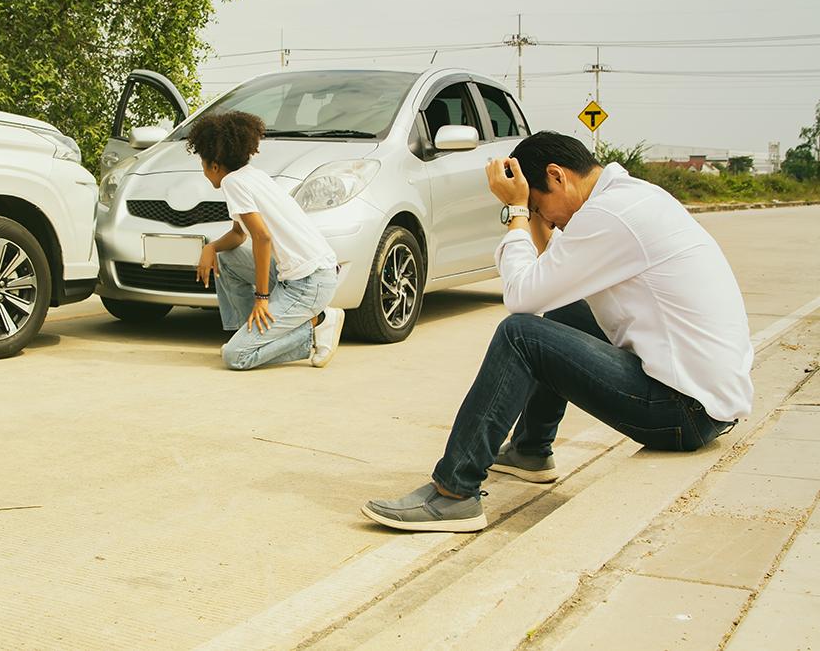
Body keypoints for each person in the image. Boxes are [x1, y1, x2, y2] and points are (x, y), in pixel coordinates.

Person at [361, 131, 753, 532]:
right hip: (704, 402)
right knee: (563, 309)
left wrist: (514, 212)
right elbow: (550, 281)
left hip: (683, 412)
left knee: (520, 335)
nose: (543, 219)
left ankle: (454, 494)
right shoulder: (629, 199)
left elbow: (520, 298)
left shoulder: (608, 216)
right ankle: (530, 451)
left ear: (557, 175)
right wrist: (529, 210)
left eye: (539, 205)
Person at [188, 111, 344, 370]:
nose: (203, 172)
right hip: (308, 273)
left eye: (203, 165)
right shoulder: (251, 175)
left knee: (236, 357)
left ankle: (319, 323)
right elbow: (239, 235)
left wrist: (261, 297)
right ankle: (246, 334)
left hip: (308, 283)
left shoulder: (232, 183)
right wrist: (211, 247)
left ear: (214, 165)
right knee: (226, 259)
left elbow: (262, 237)